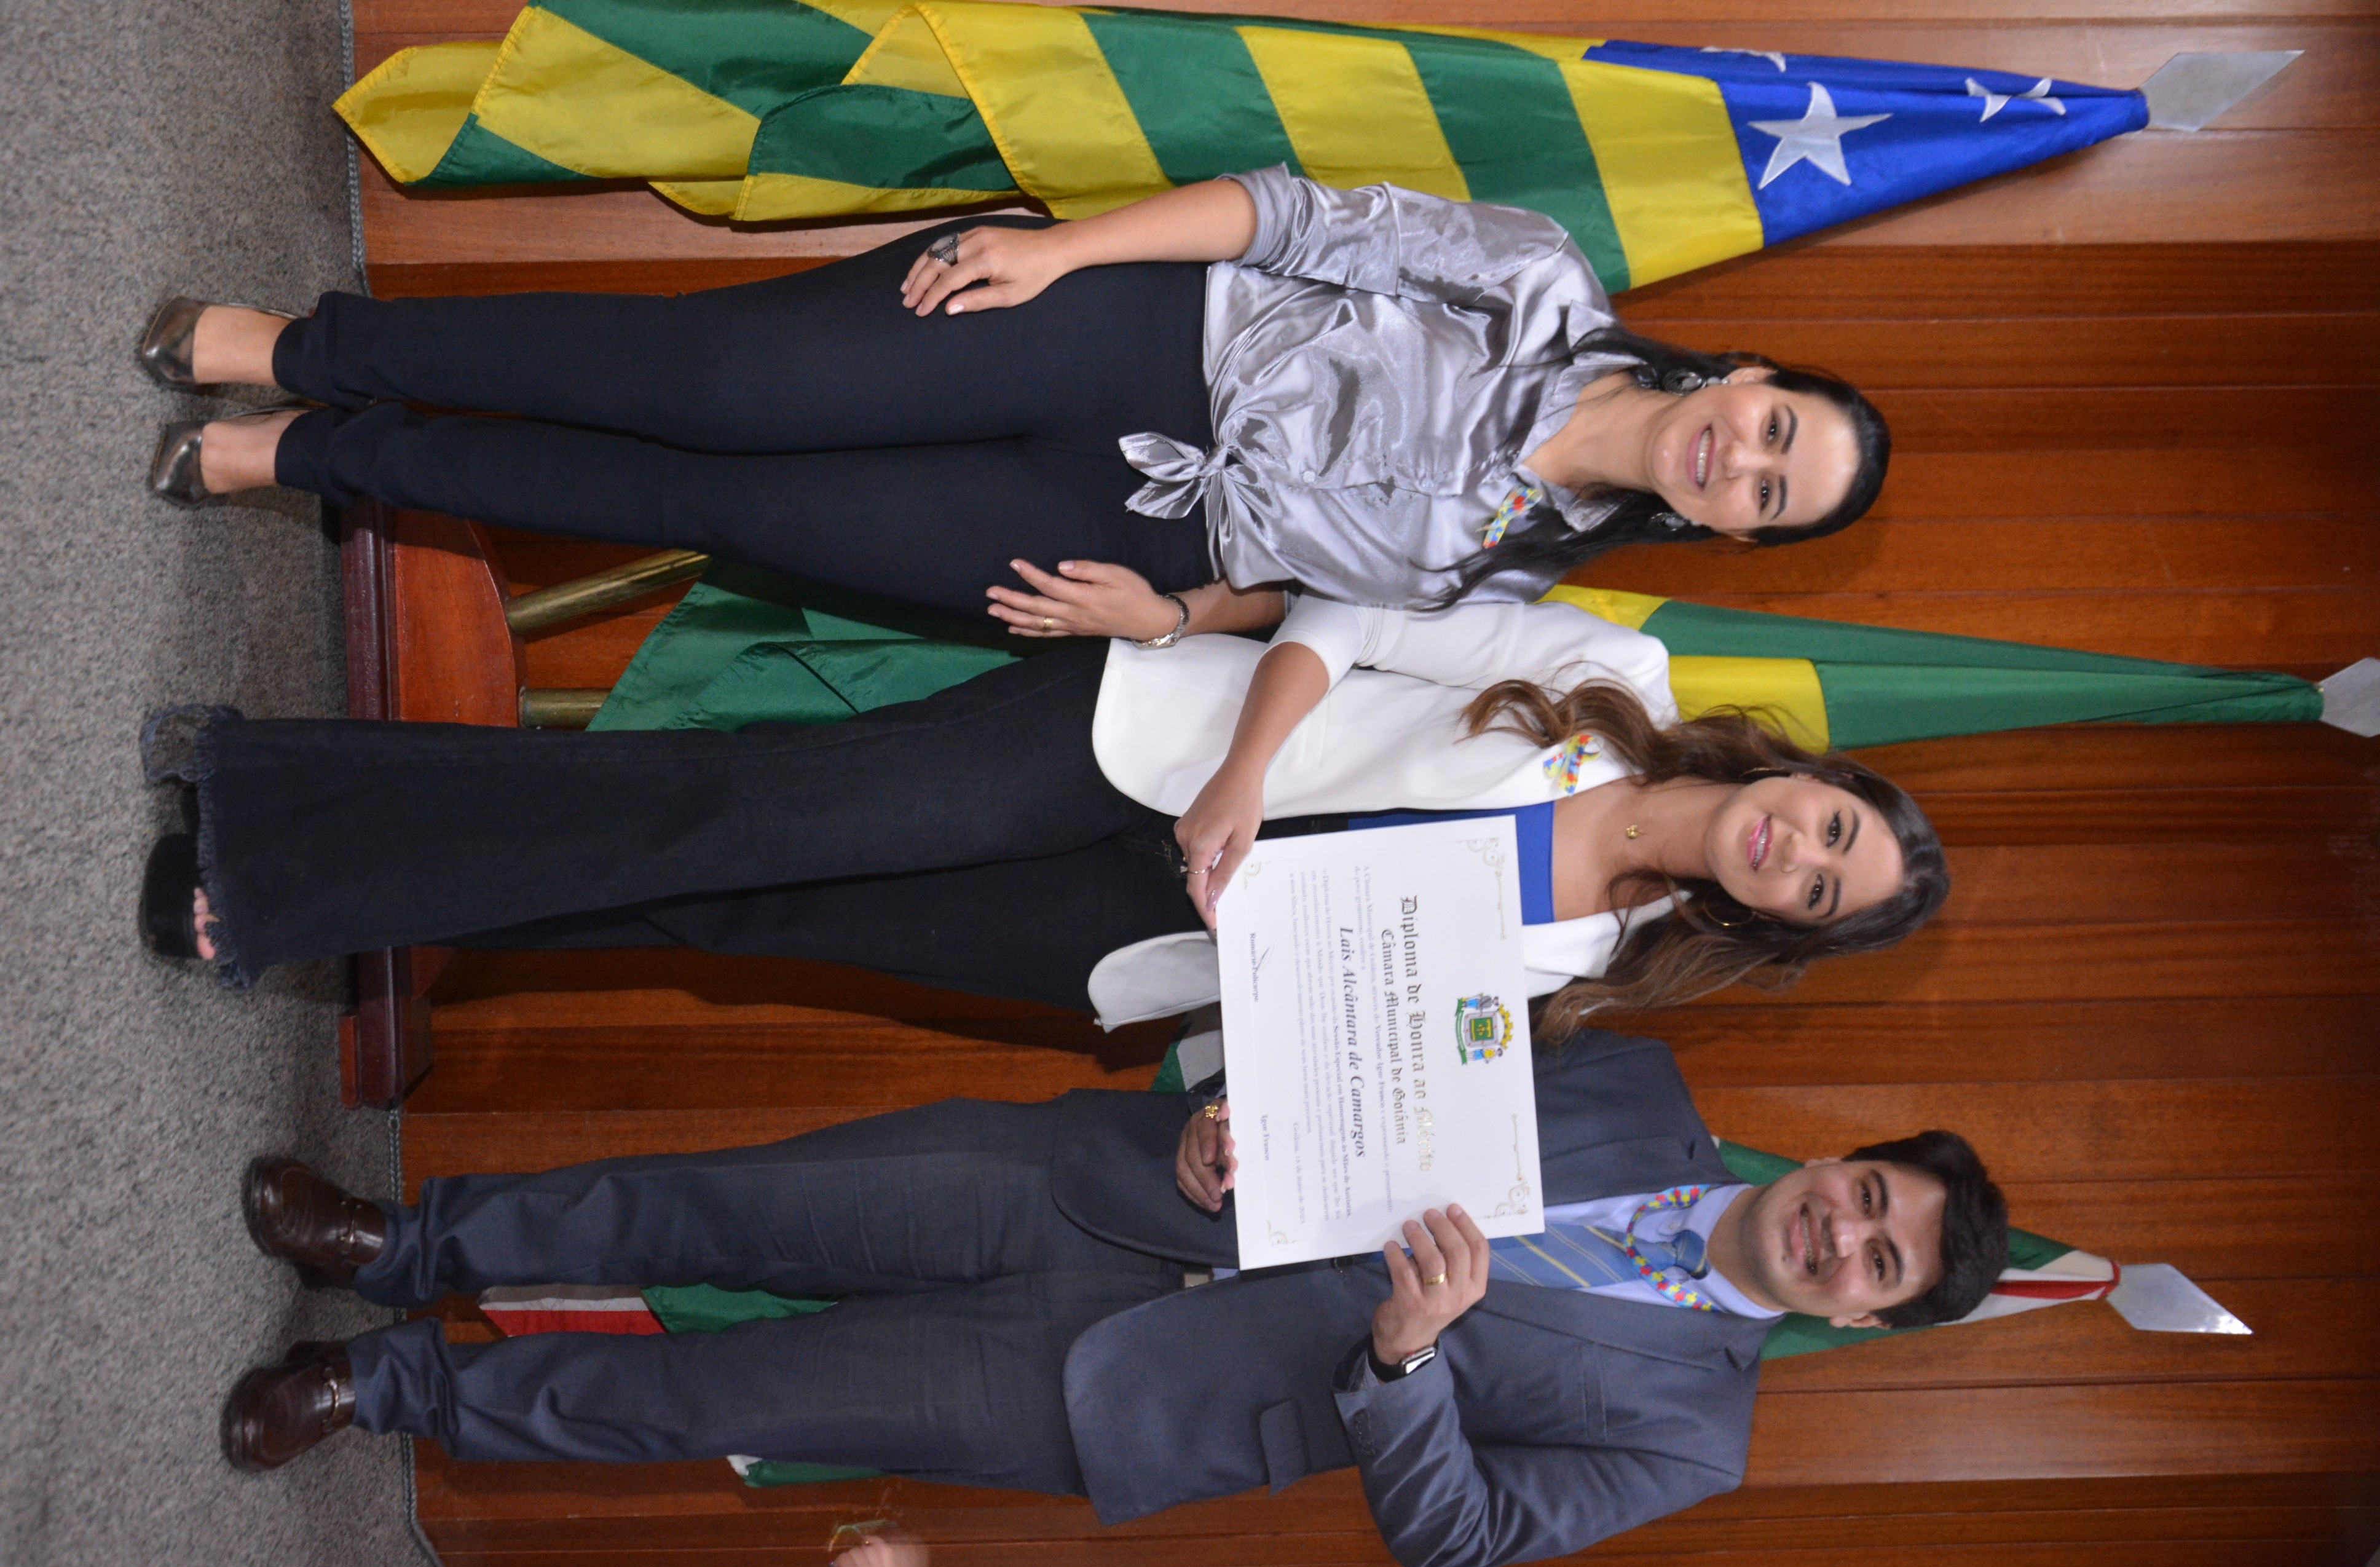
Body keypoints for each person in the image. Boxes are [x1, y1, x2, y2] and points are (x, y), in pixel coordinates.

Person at [219, 1027, 2010, 1567]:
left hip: (1117, 1390)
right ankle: (406, 1245)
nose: (1844, 1235)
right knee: (723, 1205)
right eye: (1873, 1195)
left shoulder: (1696, 1441)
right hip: (1115, 1183)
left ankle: (388, 1395)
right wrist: (1245, 1096)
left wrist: (1406, 1363)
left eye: (1880, 1263)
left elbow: (1462, 1540)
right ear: (1843, 1157)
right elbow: (1383, 1032)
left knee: (725, 1402)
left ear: (1861, 1318)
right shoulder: (1634, 1082)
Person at [141, 167, 1890, 628]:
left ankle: (315, 455)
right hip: (1127, 328)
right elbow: (1294, 217)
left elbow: (1313, 605)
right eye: (1776, 431)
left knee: (708, 508)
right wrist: (1065, 252)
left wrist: (1171, 616)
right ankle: (304, 350)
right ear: (1746, 379)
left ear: (1733, 532)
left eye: (1769, 495)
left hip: (1129, 535)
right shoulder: (1543, 284)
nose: (1743, 461)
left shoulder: (1532, 566)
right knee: (711, 380)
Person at [141, 588, 1945, 1024]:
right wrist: (1244, 775)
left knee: (723, 912)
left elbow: (1347, 1026)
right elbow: (1350, 615)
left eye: (1820, 890)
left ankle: (308, 836)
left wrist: (1247, 1119)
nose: (1798, 854)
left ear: (1776, 929)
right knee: (726, 814)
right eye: (1834, 828)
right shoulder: (1618, 672)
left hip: (1124, 939)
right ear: (1811, 778)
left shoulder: (1587, 972)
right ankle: (270, 850)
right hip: (1138, 749)